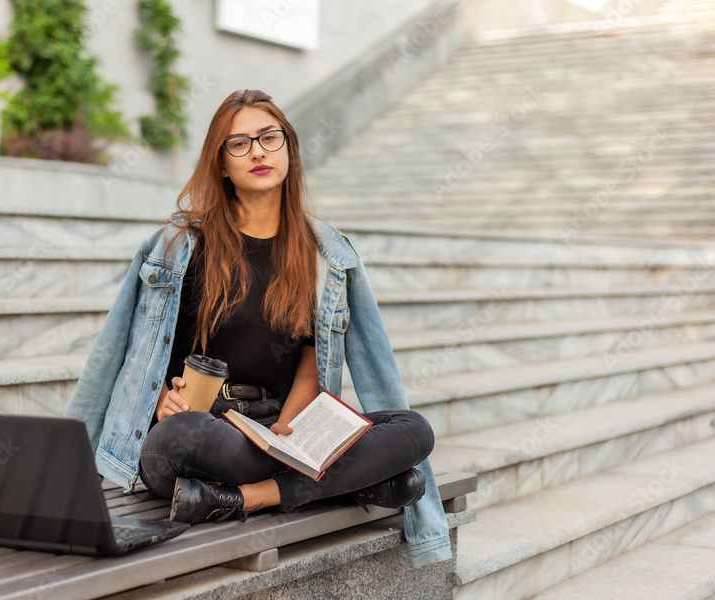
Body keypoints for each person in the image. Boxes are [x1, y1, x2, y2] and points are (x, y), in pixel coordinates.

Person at [65, 89, 451, 567]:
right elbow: (124, 355)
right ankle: (358, 482)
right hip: (204, 431)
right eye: (240, 143)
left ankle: (248, 498)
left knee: (413, 429)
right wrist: (165, 398)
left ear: (289, 148)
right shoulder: (180, 245)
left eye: (270, 138)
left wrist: (288, 437)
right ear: (221, 164)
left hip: (277, 426)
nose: (259, 152)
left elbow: (312, 373)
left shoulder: (323, 255)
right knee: (173, 441)